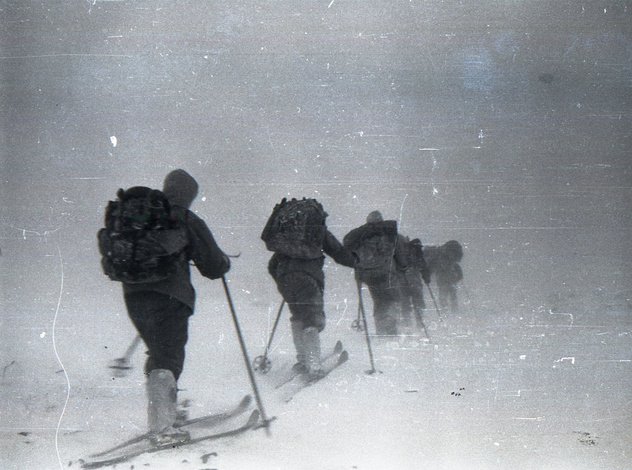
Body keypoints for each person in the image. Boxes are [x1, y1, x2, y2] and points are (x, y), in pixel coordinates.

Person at [121, 169, 231, 444]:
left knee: (158, 353)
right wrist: (224, 263)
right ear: (189, 194)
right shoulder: (185, 217)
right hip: (171, 296)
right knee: (168, 356)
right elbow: (213, 266)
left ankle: (163, 416)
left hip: (133, 294)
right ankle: (163, 428)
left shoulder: (143, 213)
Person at [263, 198, 356, 379]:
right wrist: (355, 261)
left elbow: (271, 265)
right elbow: (337, 251)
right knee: (311, 319)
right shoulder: (316, 231)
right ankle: (314, 365)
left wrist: (284, 280)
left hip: (285, 281)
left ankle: (303, 361)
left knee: (298, 317)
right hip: (308, 280)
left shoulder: (285, 237)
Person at [343, 211, 407, 336]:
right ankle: (391, 330)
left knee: (379, 301)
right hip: (386, 273)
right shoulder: (390, 233)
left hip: (368, 275)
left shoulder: (361, 235)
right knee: (392, 299)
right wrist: (403, 267)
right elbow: (399, 254)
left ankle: (382, 331)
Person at [394, 237, 431, 336]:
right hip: (414, 280)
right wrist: (426, 277)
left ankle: (407, 325)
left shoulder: (394, 251)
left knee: (405, 304)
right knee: (418, 302)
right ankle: (420, 323)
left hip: (401, 281)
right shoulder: (415, 250)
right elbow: (423, 265)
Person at [423, 240, 464, 312]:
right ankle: (453, 311)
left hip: (442, 278)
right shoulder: (450, 260)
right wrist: (458, 277)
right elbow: (457, 269)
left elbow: (432, 267)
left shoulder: (440, 257)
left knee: (443, 295)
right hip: (450, 278)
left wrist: (427, 275)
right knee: (452, 295)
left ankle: (445, 311)